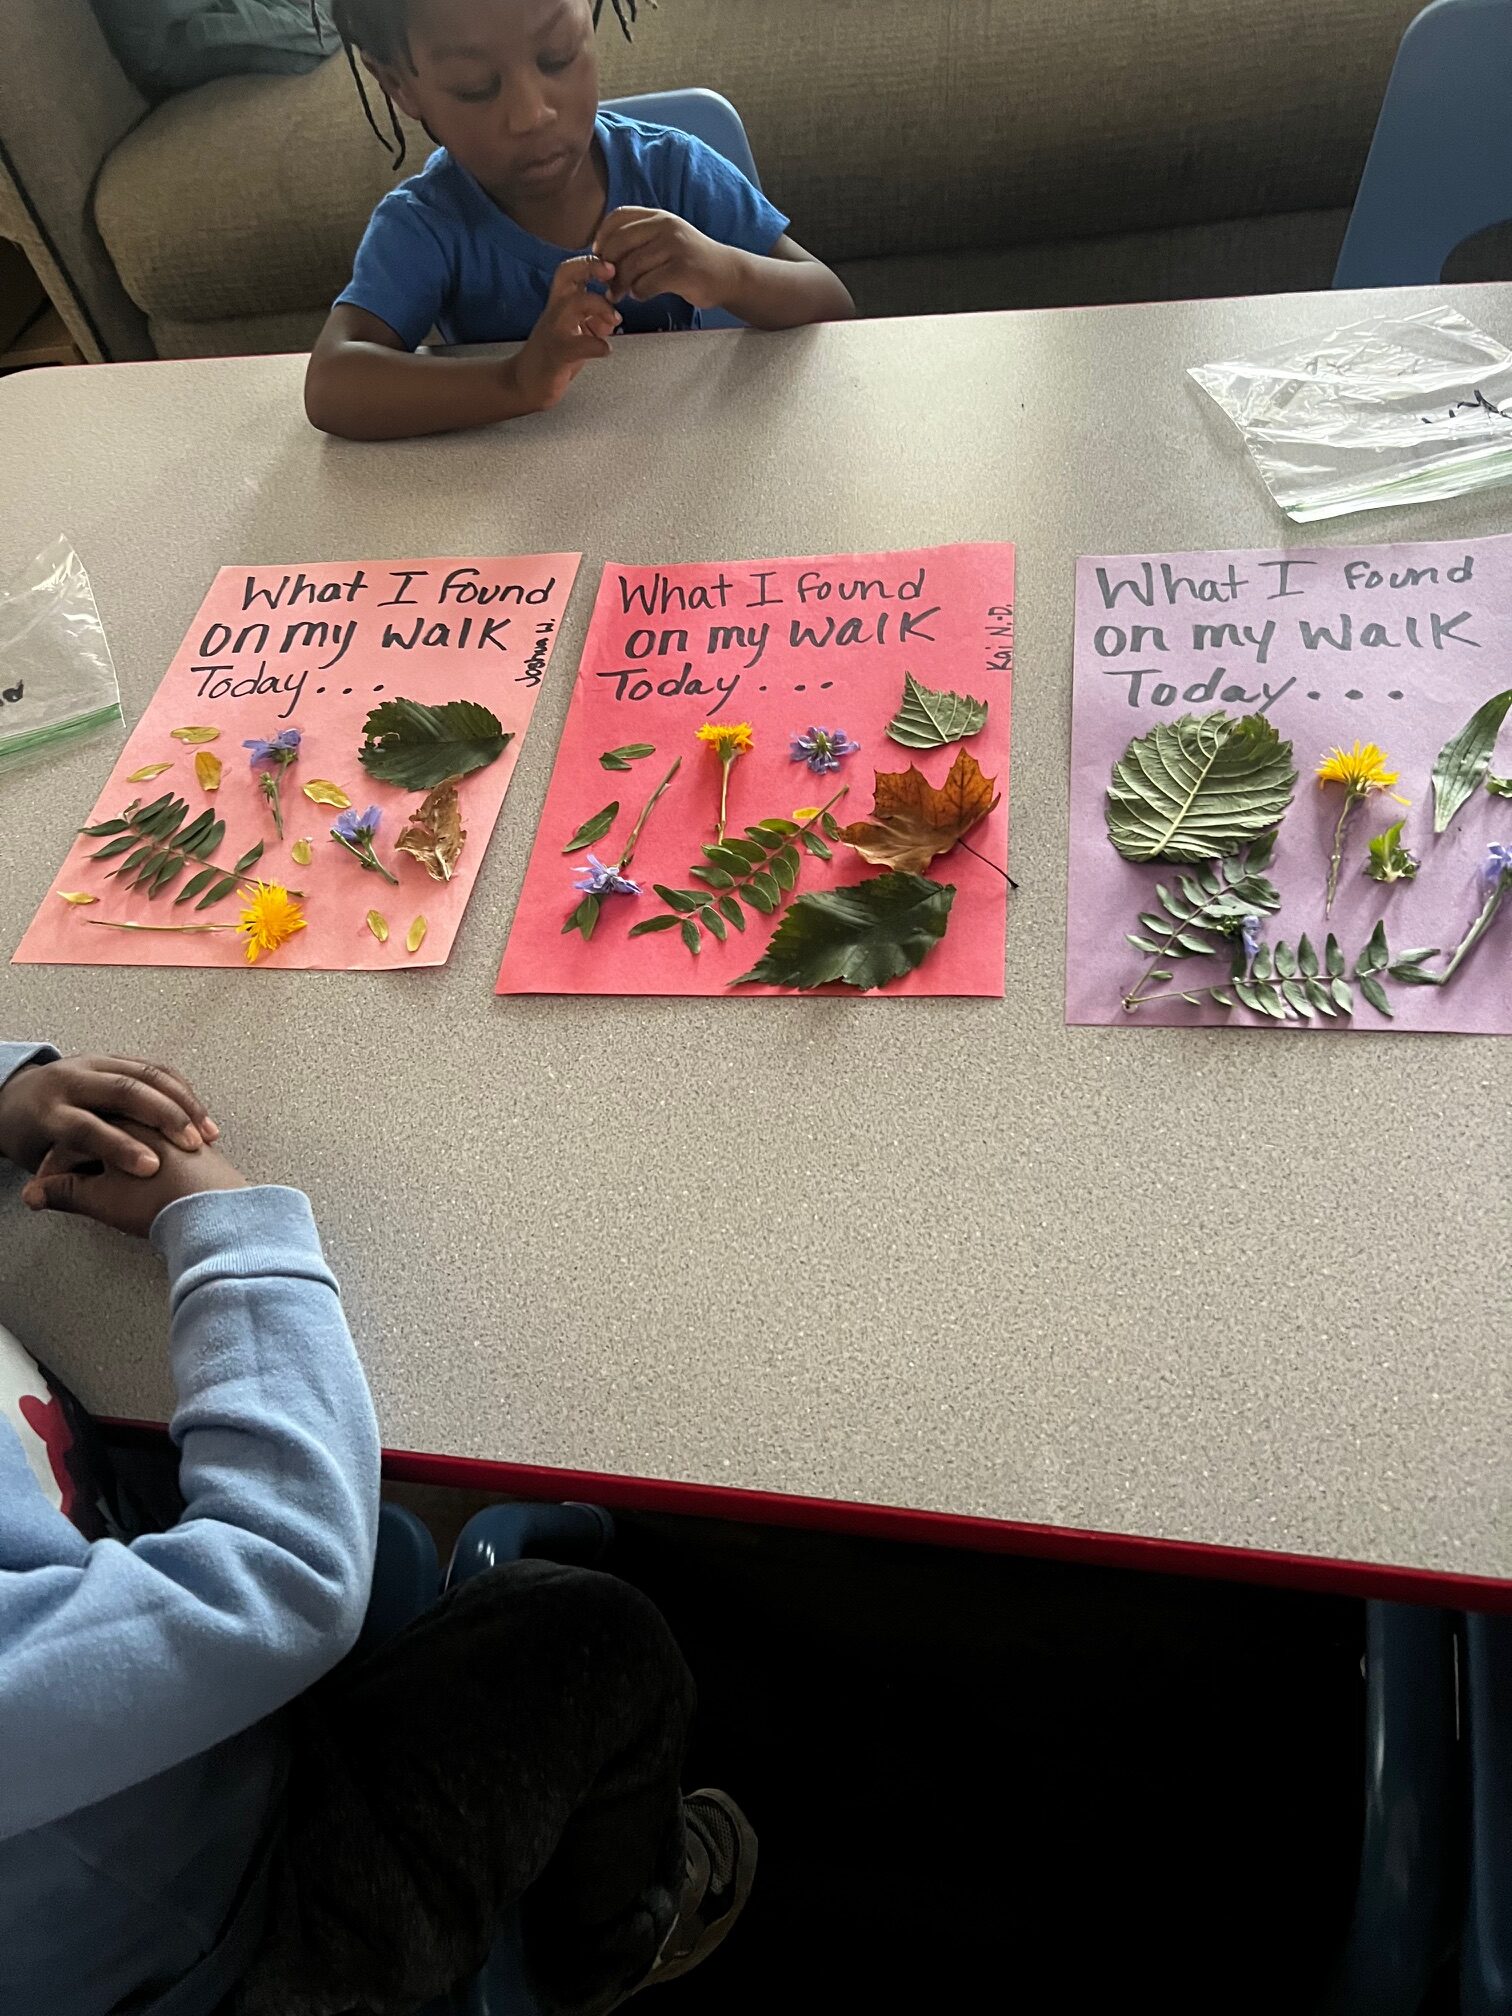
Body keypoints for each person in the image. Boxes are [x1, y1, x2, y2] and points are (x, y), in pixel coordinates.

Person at [0, 1043, 754, 2016]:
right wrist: (230, 1232)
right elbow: (278, 1581)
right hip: (228, 1941)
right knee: (591, 1640)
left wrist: (14, 1091)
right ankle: (610, 1943)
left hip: (155, 1709)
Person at [304, 0, 855, 440]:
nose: (531, 113)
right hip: (515, 511)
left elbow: (832, 302)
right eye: (476, 87)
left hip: (682, 469)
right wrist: (514, 381)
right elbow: (332, 383)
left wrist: (729, 272)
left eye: (557, 56)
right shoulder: (425, 226)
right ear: (400, 87)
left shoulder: (674, 170)